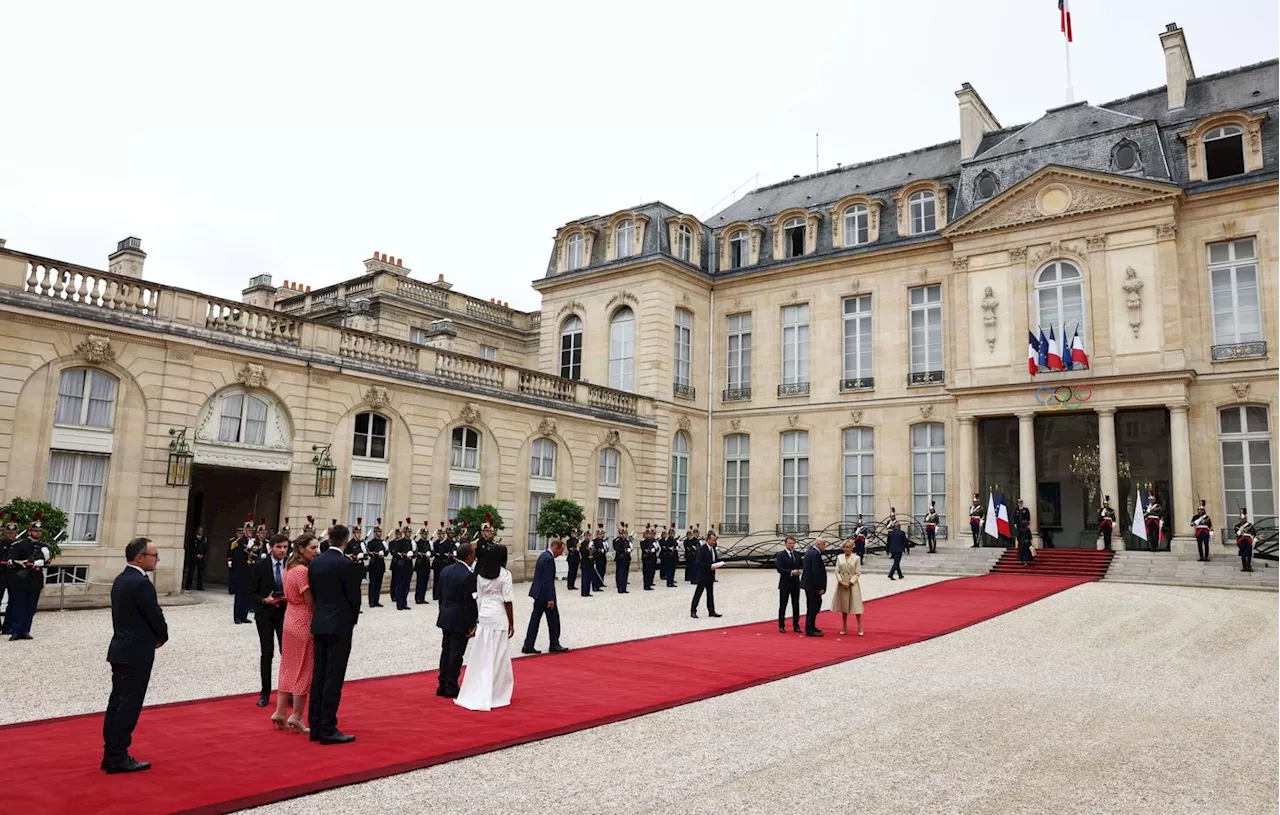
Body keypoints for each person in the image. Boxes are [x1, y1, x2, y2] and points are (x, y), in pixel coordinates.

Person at [102, 537, 167, 774]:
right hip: (136, 651)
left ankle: (111, 752)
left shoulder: (121, 579)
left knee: (117, 702)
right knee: (128, 704)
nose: (157, 559)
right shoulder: (140, 583)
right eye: (154, 555)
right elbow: (154, 614)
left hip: (121, 648)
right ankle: (118, 755)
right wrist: (162, 636)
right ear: (140, 557)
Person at [307, 524, 362, 744]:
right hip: (339, 625)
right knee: (333, 676)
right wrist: (352, 620)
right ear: (346, 542)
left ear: (329, 539)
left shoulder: (316, 563)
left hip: (320, 621)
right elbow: (354, 598)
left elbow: (315, 591)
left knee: (318, 674)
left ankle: (315, 725)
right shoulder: (346, 564)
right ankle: (328, 727)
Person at [456, 544, 515, 711]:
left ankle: (479, 686)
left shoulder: (481, 574)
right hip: (498, 614)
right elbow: (507, 600)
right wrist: (512, 621)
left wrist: (477, 619)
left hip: (484, 614)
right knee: (498, 653)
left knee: (482, 653)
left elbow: (479, 597)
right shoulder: (504, 574)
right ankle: (496, 690)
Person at [272, 533, 318, 734]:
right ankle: (296, 715)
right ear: (301, 549)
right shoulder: (301, 571)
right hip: (302, 620)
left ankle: (280, 711)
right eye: (313, 548)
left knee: (288, 666)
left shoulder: (288, 567)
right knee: (304, 668)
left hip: (290, 618)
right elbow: (309, 601)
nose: (317, 551)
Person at [249, 534, 290, 708]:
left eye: (285, 547)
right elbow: (252, 593)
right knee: (267, 653)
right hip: (265, 614)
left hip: (285, 614)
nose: (282, 550)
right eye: (279, 547)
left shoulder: (290, 566)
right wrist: (265, 601)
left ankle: (287, 693)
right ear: (271, 547)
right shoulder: (260, 566)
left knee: (286, 654)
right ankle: (265, 693)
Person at [436, 541, 479, 698]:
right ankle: (451, 686)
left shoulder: (446, 570)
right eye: (473, 554)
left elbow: (440, 596)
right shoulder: (468, 576)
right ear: (468, 556)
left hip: (446, 616)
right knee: (456, 654)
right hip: (460, 619)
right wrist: (472, 624)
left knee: (446, 651)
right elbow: (469, 603)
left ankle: (442, 683)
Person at [7, 514, 52, 640]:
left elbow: (47, 563)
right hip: (20, 580)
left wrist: (45, 559)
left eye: (39, 531)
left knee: (30, 607)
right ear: (29, 531)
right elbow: (12, 561)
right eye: (35, 530)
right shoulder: (19, 545)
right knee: (18, 606)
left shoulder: (44, 547)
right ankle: (16, 631)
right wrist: (31, 563)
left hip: (35, 580)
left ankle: (25, 630)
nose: (37, 533)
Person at [523, 539, 569, 654]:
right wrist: (550, 598)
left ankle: (528, 644)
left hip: (538, 593)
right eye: (561, 551)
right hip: (544, 595)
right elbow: (548, 581)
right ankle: (554, 643)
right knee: (553, 620)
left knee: (535, 619)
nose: (561, 554)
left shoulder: (543, 555)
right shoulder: (549, 559)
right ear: (556, 548)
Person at [832, 540, 864, 636]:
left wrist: (850, 582)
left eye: (848, 547)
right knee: (844, 605)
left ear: (852, 548)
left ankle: (859, 625)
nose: (846, 549)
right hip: (842, 583)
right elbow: (836, 570)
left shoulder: (856, 558)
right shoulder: (839, 557)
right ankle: (844, 625)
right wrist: (840, 581)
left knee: (856, 605)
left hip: (852, 584)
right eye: (844, 547)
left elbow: (858, 572)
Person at [690, 531, 723, 619]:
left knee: (710, 594)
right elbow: (698, 563)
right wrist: (709, 566)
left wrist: (718, 564)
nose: (714, 542)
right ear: (708, 540)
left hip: (711, 575)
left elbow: (714, 560)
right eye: (713, 540)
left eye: (715, 540)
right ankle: (693, 610)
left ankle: (711, 611)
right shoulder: (702, 549)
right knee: (698, 593)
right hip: (703, 575)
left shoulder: (713, 549)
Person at [800, 538, 827, 637]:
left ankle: (811, 626)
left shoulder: (810, 552)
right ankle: (810, 629)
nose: (825, 547)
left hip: (809, 585)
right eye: (824, 544)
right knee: (813, 607)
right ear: (819, 544)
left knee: (812, 606)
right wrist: (820, 587)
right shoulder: (815, 554)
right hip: (813, 586)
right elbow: (816, 573)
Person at [227, 519, 252, 624]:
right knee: (239, 595)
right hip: (240, 572)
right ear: (244, 531)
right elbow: (237, 556)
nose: (250, 532)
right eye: (248, 530)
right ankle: (237, 616)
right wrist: (248, 548)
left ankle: (244, 615)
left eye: (251, 530)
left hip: (249, 572)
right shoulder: (237, 543)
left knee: (247, 595)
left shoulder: (252, 542)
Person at [775, 536, 802, 634]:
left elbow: (801, 566)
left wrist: (799, 571)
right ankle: (781, 625)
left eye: (793, 543)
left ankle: (796, 625)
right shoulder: (781, 555)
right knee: (783, 605)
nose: (792, 545)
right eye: (790, 543)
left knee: (796, 605)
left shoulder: (797, 555)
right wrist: (791, 572)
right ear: (785, 544)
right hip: (785, 584)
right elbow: (779, 569)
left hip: (795, 584)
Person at [388, 519, 415, 611]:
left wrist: (412, 554)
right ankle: (399, 603)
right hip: (401, 566)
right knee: (400, 585)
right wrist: (404, 555)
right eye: (407, 532)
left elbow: (415, 552)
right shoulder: (400, 542)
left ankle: (404, 602)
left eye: (410, 532)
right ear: (404, 532)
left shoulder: (412, 542)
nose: (409, 533)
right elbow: (395, 552)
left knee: (407, 585)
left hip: (408, 565)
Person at [365, 519, 388, 607]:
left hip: (381, 565)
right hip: (374, 564)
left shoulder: (383, 542)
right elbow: (369, 552)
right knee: (373, 584)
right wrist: (377, 553)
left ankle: (376, 600)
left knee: (379, 584)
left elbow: (386, 553)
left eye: (380, 531)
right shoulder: (371, 542)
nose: (380, 533)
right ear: (375, 532)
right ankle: (371, 601)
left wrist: (385, 549)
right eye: (378, 531)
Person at [0, 515, 17, 635]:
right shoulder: (1, 543)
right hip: (1, 574)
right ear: (5, 532)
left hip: (14, 576)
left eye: (13, 532)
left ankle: (8, 626)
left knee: (13, 602)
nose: (11, 534)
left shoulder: (20, 545)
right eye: (9, 532)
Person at [413, 522, 433, 604]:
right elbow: (415, 553)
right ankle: (418, 598)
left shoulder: (429, 543)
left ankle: (422, 597)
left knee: (425, 582)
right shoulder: (418, 543)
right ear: (421, 534)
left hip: (426, 564)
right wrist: (423, 554)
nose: (425, 535)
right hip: (420, 563)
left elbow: (433, 553)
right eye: (424, 534)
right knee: (420, 581)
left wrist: (430, 554)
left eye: (426, 534)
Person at [183, 526, 208, 591]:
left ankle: (199, 586)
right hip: (194, 557)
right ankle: (188, 586)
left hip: (201, 557)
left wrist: (202, 554)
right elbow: (191, 548)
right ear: (197, 531)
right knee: (191, 571)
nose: (201, 532)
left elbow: (205, 548)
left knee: (200, 572)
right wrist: (197, 554)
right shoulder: (192, 538)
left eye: (202, 531)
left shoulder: (204, 538)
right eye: (200, 530)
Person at [613, 523, 633, 593]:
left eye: (626, 534)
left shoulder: (627, 541)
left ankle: (624, 588)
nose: (625, 535)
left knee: (625, 574)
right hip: (620, 559)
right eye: (624, 533)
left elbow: (629, 548)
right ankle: (620, 588)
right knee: (620, 573)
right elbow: (617, 548)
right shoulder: (617, 541)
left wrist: (629, 550)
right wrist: (624, 551)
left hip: (626, 559)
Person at [640, 524, 659, 590]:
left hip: (652, 558)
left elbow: (657, 548)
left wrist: (655, 548)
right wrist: (650, 550)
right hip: (646, 559)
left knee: (651, 572)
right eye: (648, 534)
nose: (649, 535)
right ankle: (646, 585)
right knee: (646, 572)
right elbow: (644, 549)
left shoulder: (653, 541)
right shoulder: (643, 542)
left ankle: (650, 583)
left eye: (650, 534)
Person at [578, 532, 595, 598]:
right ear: (584, 536)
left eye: (589, 536)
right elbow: (582, 552)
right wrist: (588, 549)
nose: (588, 537)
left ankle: (588, 592)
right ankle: (584, 592)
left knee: (589, 577)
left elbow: (594, 551)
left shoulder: (592, 543)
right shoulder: (582, 543)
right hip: (585, 562)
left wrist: (592, 550)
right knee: (585, 577)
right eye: (587, 536)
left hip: (590, 562)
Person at [565, 527, 580, 591]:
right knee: (571, 572)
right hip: (571, 557)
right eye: (574, 533)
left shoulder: (578, 541)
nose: (575, 534)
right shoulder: (569, 541)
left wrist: (578, 548)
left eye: (576, 533)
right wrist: (574, 549)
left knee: (575, 572)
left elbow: (579, 548)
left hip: (576, 557)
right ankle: (569, 585)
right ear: (571, 534)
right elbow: (569, 549)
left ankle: (573, 584)